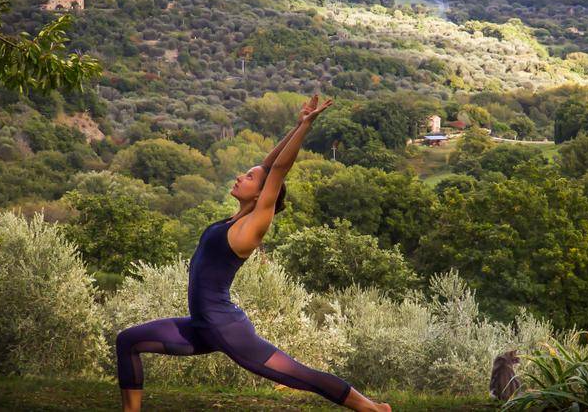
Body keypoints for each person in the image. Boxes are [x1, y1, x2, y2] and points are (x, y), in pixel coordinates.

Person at [116, 94, 391, 412]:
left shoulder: (252, 226)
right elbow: (270, 165)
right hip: (202, 325)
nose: (240, 177)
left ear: (262, 194)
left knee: (300, 376)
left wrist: (307, 127)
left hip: (226, 329)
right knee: (128, 341)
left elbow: (278, 170)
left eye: (249, 177)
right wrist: (297, 124)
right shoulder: (234, 219)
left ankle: (372, 409)